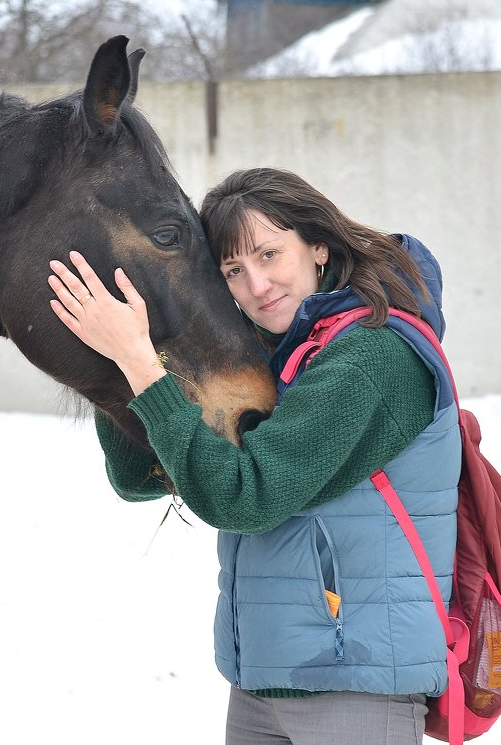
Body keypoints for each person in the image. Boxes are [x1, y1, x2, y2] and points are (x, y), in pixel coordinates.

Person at [46, 167, 460, 745]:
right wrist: (127, 356)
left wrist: (142, 365)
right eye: (233, 271)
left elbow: (245, 495)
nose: (258, 285)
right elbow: (140, 475)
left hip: (356, 682)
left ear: (318, 246)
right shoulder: (277, 354)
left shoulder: (372, 354)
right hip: (264, 681)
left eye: (270, 254)